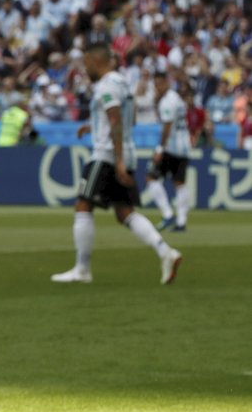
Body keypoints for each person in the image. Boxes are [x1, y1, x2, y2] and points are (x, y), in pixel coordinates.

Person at [51, 45, 182, 285]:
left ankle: (82, 269)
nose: (85, 69)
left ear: (93, 60)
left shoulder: (106, 85)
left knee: (83, 205)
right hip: (125, 151)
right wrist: (94, 125)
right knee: (124, 212)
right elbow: (127, 118)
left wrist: (118, 160)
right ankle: (166, 252)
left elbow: (115, 119)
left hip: (107, 154)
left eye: (86, 64)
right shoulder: (122, 83)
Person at [146, 73, 191, 232]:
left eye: (159, 84)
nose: (158, 88)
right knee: (179, 183)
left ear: (166, 82)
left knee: (151, 177)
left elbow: (167, 127)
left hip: (171, 147)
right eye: (155, 85)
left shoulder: (167, 102)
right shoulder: (176, 97)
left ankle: (167, 214)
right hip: (184, 146)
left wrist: (159, 149)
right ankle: (181, 222)